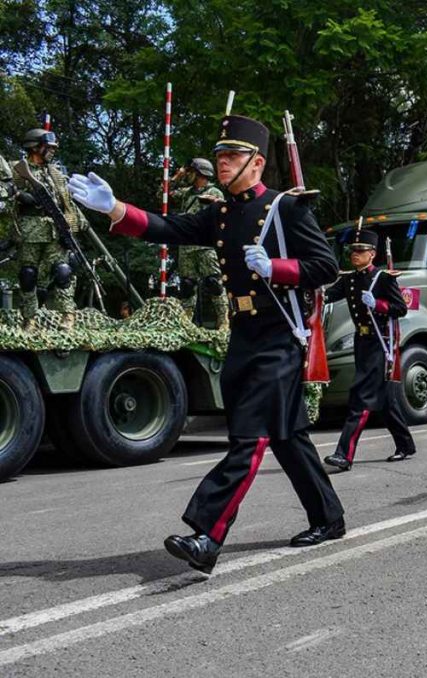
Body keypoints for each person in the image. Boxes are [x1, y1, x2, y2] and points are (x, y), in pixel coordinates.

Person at [68, 114, 345, 573]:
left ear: (256, 163)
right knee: (288, 436)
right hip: (242, 335)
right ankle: (329, 517)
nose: (222, 162)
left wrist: (278, 268)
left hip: (278, 338)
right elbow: (166, 228)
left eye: (232, 155)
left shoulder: (286, 209)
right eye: (219, 155)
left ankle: (207, 534)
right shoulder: (218, 214)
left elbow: (326, 267)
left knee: (249, 438)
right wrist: (115, 208)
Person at [322, 229, 415, 471]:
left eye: (360, 251)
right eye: (353, 251)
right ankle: (406, 445)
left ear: (372, 254)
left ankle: (344, 454)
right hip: (362, 343)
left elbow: (400, 308)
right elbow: (327, 296)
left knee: (360, 398)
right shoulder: (349, 279)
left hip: (380, 342)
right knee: (385, 400)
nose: (355, 254)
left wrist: (379, 304)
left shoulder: (383, 279)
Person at [10, 128, 89, 330]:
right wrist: (18, 196)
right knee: (28, 275)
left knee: (63, 271)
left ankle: (68, 315)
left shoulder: (56, 173)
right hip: (28, 230)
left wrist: (77, 222)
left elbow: (67, 202)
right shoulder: (16, 171)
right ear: (35, 147)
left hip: (55, 230)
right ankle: (29, 318)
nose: (52, 151)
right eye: (49, 147)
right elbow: (4, 194)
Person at [170, 158, 228, 329]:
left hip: (206, 247)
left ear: (199, 174)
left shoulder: (215, 193)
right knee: (187, 285)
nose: (187, 175)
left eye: (190, 172)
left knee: (213, 282)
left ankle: (223, 320)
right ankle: (186, 322)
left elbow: (221, 216)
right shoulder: (187, 193)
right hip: (186, 246)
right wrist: (176, 177)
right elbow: (163, 194)